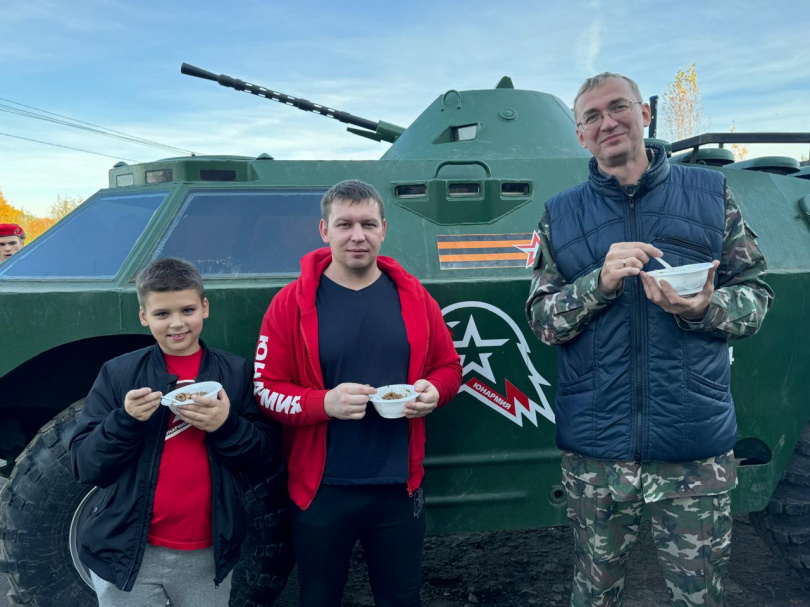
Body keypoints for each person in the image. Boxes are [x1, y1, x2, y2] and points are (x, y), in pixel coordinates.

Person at [526, 73, 774, 607]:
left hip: (694, 448)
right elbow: (544, 322)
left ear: (644, 114)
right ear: (580, 135)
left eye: (618, 107)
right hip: (597, 454)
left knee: (699, 597)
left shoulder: (710, 195)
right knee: (593, 595)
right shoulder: (559, 215)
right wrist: (598, 284)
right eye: (592, 116)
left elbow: (756, 297)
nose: (607, 122)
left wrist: (704, 307)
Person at [253, 179, 462, 606]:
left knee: (401, 599)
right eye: (344, 224)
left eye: (368, 224)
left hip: (399, 488)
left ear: (384, 229)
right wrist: (323, 403)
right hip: (322, 490)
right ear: (324, 230)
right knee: (318, 598)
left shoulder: (415, 297)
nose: (357, 236)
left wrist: (434, 392)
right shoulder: (289, 304)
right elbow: (265, 389)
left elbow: (449, 367)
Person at [70, 257, 280, 607]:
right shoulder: (119, 373)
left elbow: (265, 458)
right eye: (162, 314)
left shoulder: (236, 372)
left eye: (187, 310)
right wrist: (125, 421)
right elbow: (85, 466)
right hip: (127, 553)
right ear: (144, 316)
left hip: (207, 555)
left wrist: (226, 426)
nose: (177, 323)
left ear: (205, 308)